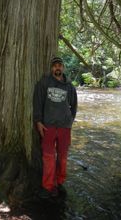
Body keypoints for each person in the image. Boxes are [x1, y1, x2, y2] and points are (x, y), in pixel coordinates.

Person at [33, 56, 77, 199]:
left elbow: (74, 106)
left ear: (63, 67)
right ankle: (48, 186)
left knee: (63, 157)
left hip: (65, 127)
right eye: (55, 66)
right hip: (48, 127)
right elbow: (38, 102)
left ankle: (59, 182)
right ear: (52, 68)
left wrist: (69, 121)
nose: (57, 68)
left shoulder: (70, 87)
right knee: (48, 157)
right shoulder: (44, 83)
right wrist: (38, 121)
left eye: (60, 65)